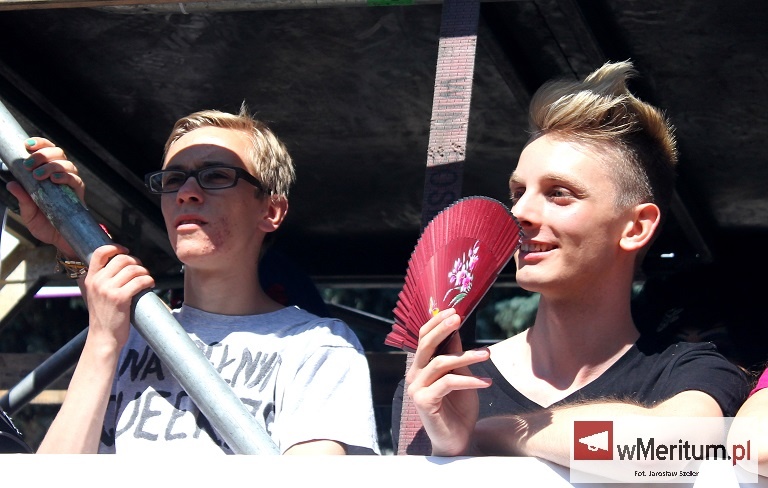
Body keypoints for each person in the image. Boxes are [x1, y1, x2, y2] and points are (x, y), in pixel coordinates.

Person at [394, 61, 749, 465]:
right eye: (518, 192)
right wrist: (451, 448)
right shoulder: (442, 385)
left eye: (559, 193)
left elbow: (667, 450)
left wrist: (489, 434)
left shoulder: (691, 371)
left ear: (635, 227)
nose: (520, 212)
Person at [7, 106, 380, 455]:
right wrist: (101, 336)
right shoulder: (119, 331)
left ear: (270, 210)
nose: (186, 193)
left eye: (216, 176)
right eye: (173, 179)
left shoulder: (318, 347)